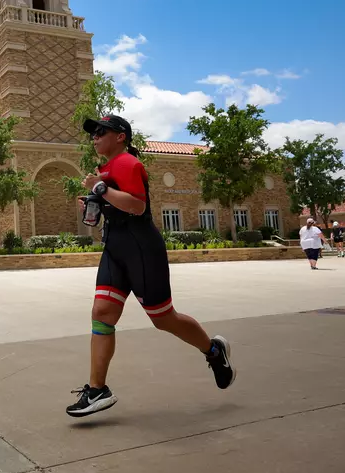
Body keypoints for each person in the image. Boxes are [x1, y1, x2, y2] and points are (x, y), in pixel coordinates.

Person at [66, 115, 235, 418]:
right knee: (102, 313)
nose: (95, 137)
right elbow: (117, 207)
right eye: (92, 133)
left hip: (142, 250)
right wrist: (94, 203)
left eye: (101, 131)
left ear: (120, 136)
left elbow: (137, 205)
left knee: (163, 318)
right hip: (115, 248)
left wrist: (101, 190)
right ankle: (97, 389)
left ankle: (213, 350)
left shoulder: (128, 163)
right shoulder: (105, 169)